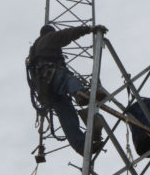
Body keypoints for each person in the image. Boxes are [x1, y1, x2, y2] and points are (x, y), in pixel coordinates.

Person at [26, 23, 107, 155]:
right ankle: (81, 94)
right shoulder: (49, 38)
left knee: (68, 117)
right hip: (51, 75)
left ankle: (81, 146)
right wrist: (88, 29)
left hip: (46, 91)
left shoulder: (34, 48)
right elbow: (67, 34)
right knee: (68, 79)